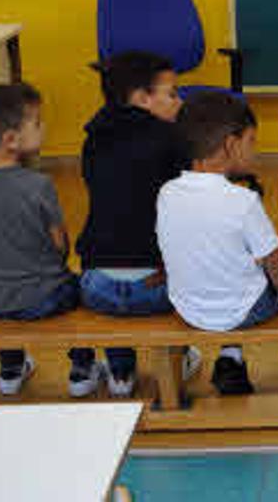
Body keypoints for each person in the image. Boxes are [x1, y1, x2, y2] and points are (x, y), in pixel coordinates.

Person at [157, 91, 278, 395]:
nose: (254, 152)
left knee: (223, 265)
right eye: (251, 142)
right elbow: (275, 264)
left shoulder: (167, 192)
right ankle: (231, 356)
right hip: (246, 311)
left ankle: (231, 355)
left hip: (188, 308)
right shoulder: (244, 200)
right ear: (231, 145)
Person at [73, 51, 197, 398]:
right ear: (142, 99)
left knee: (111, 242)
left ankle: (121, 373)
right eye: (172, 94)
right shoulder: (175, 141)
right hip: (155, 290)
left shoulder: (92, 139)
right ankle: (178, 360)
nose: (179, 101)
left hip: (96, 288)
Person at [0, 83, 88, 398]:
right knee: (82, 287)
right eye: (37, 122)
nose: (43, 128)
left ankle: (11, 369)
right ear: (10, 140)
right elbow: (60, 245)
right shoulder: (38, 184)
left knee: (7, 298)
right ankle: (82, 368)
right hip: (44, 298)